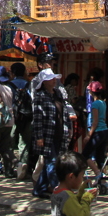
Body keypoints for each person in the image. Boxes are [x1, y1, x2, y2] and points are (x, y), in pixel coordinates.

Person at [32, 67, 69, 200]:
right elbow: (37, 118)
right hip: (47, 134)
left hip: (59, 133)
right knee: (52, 162)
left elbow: (64, 112)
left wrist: (68, 127)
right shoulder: (40, 97)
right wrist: (39, 136)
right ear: (44, 82)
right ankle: (57, 189)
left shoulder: (58, 94)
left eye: (54, 78)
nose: (53, 81)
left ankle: (39, 188)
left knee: (52, 161)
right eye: (50, 79)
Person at [52, 151, 97, 216]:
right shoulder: (68, 197)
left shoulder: (57, 192)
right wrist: (86, 199)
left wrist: (80, 193)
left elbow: (71, 209)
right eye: (81, 175)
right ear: (71, 177)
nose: (82, 178)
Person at [11, 62, 34, 179]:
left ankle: (11, 166)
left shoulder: (9, 85)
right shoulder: (29, 84)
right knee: (24, 143)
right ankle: (24, 165)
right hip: (27, 117)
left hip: (12, 117)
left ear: (13, 72)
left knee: (9, 142)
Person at [83, 81, 108, 183]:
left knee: (85, 154)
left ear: (91, 92)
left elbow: (95, 121)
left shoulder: (95, 104)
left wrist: (89, 135)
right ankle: (102, 180)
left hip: (98, 132)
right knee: (100, 156)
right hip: (105, 131)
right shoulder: (103, 103)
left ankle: (98, 173)